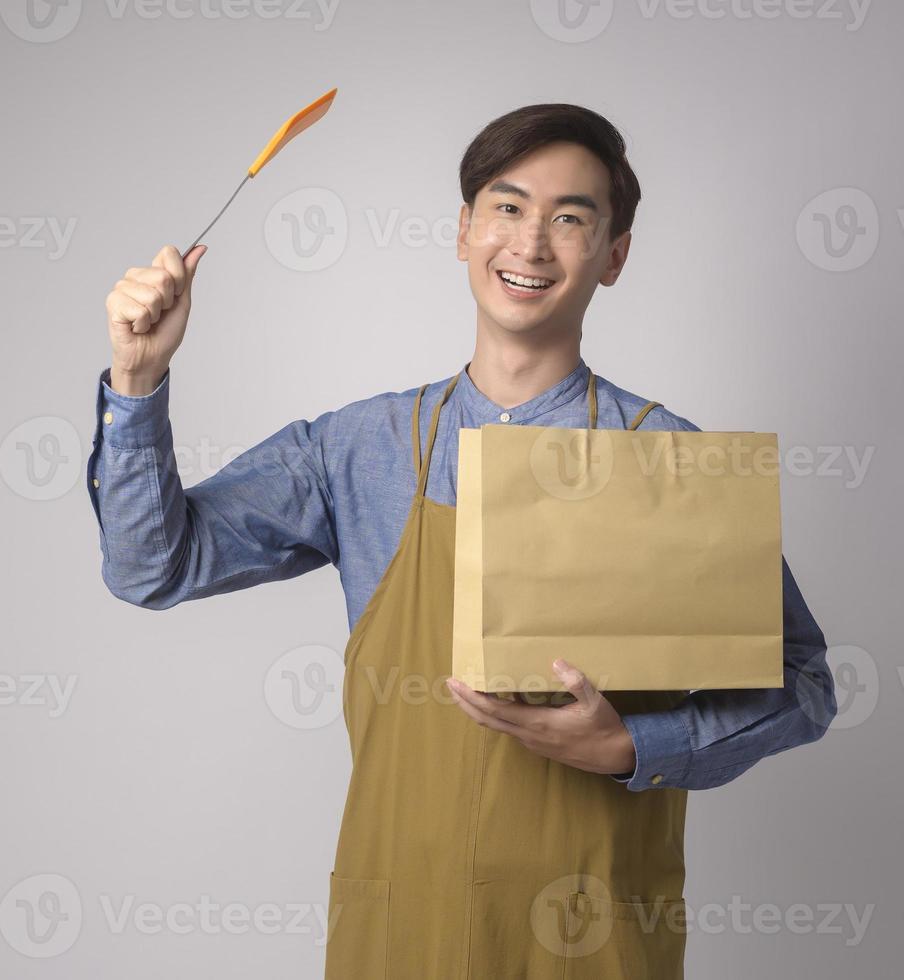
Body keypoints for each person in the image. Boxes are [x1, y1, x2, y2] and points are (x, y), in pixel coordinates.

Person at [87, 103, 837, 979]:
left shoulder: (673, 461)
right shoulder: (356, 447)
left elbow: (806, 684)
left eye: (570, 218)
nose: (530, 243)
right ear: (464, 231)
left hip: (594, 941)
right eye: (508, 208)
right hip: (405, 932)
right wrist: (137, 381)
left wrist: (635, 747)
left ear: (615, 255)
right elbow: (150, 566)